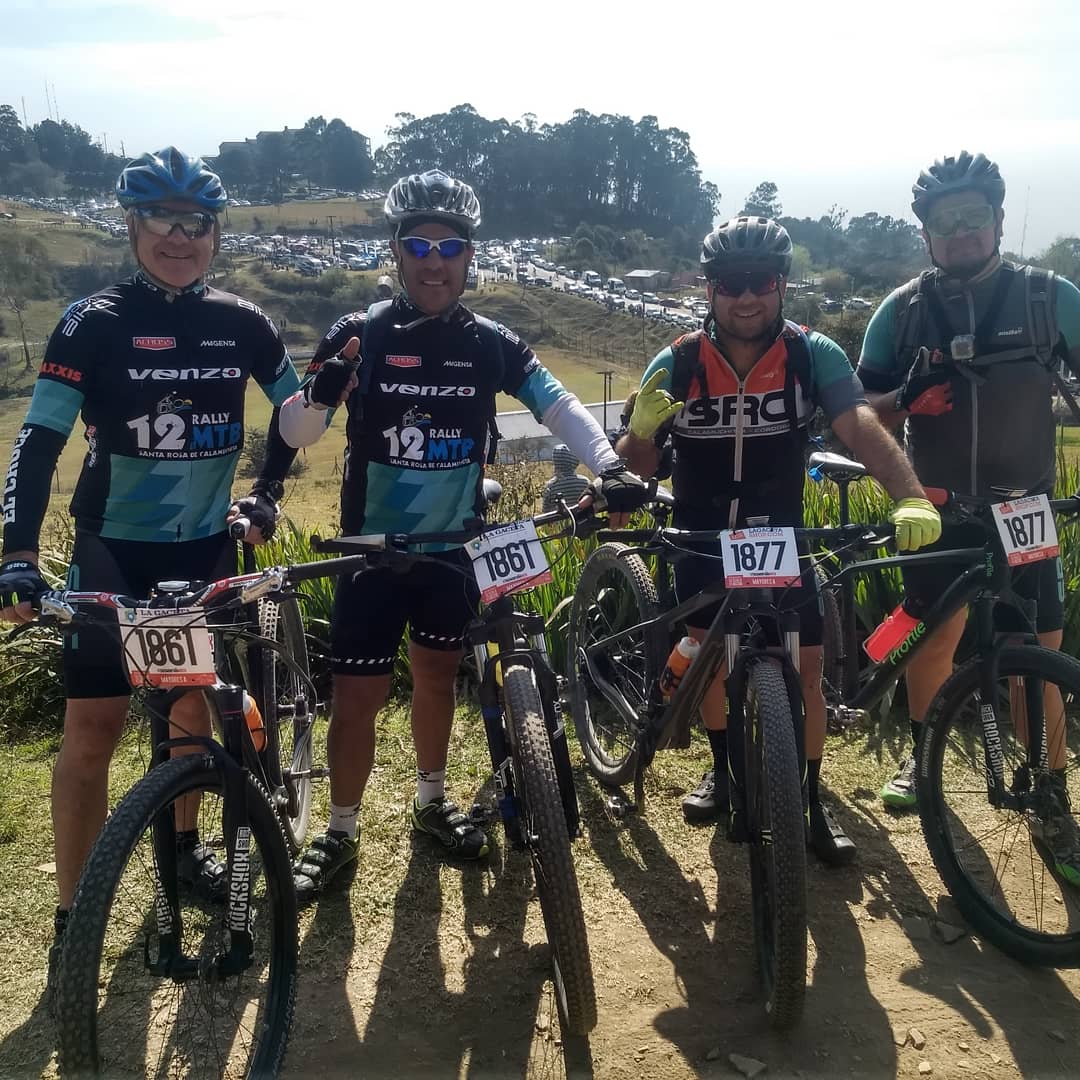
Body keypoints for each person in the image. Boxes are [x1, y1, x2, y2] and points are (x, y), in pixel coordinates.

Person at [242, 169, 648, 901]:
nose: (435, 261)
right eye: (419, 245)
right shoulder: (359, 333)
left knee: (435, 678)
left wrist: (610, 465)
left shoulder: (488, 341)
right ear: (396, 251)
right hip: (370, 551)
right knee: (358, 698)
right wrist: (324, 388)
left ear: (469, 255)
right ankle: (340, 830)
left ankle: (431, 801)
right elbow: (297, 431)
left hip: (455, 549)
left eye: (450, 246)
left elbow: (556, 404)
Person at [0, 147, 302, 993]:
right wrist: (18, 553)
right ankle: (75, 916)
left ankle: (185, 847)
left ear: (216, 234)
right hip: (114, 548)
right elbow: (39, 439)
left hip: (201, 547)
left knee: (188, 713)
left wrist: (266, 493)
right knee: (93, 728)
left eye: (196, 222)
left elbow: (298, 412)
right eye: (162, 220)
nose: (180, 237)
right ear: (132, 227)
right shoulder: (92, 321)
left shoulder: (244, 322)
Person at [616, 216, 942, 865]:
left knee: (807, 669)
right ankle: (721, 769)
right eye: (731, 283)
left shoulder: (810, 354)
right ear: (709, 289)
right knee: (709, 657)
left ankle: (811, 798)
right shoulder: (679, 361)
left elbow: (859, 424)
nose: (746, 296)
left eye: (760, 281)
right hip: (701, 534)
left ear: (782, 285)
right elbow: (635, 468)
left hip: (781, 534)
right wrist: (641, 433)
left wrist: (909, 494)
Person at [856, 153, 1080, 858]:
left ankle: (1049, 791)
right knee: (931, 638)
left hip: (1026, 508)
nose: (959, 233)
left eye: (972, 217)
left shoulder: (1049, 297)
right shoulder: (902, 310)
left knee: (1036, 654)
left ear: (999, 221)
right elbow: (857, 414)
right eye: (943, 222)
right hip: (937, 507)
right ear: (925, 233)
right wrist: (905, 401)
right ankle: (923, 760)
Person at [542, 444, 590, 511]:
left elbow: (546, 511)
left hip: (560, 518)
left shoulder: (551, 486)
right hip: (584, 517)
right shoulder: (585, 482)